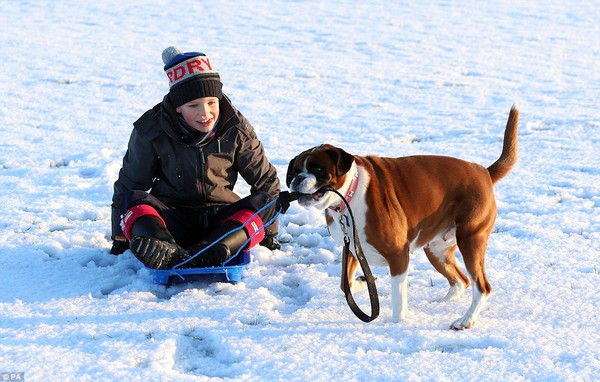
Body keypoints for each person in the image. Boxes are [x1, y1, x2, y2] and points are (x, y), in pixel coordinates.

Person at [109, 46, 281, 269]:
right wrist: (120, 237)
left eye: (212, 102)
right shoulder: (151, 130)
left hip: (224, 222)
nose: (205, 113)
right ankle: (160, 247)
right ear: (178, 107)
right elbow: (129, 184)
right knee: (134, 199)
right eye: (193, 106)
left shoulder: (236, 128)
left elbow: (266, 181)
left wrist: (269, 234)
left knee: (265, 201)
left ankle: (219, 248)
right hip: (170, 220)